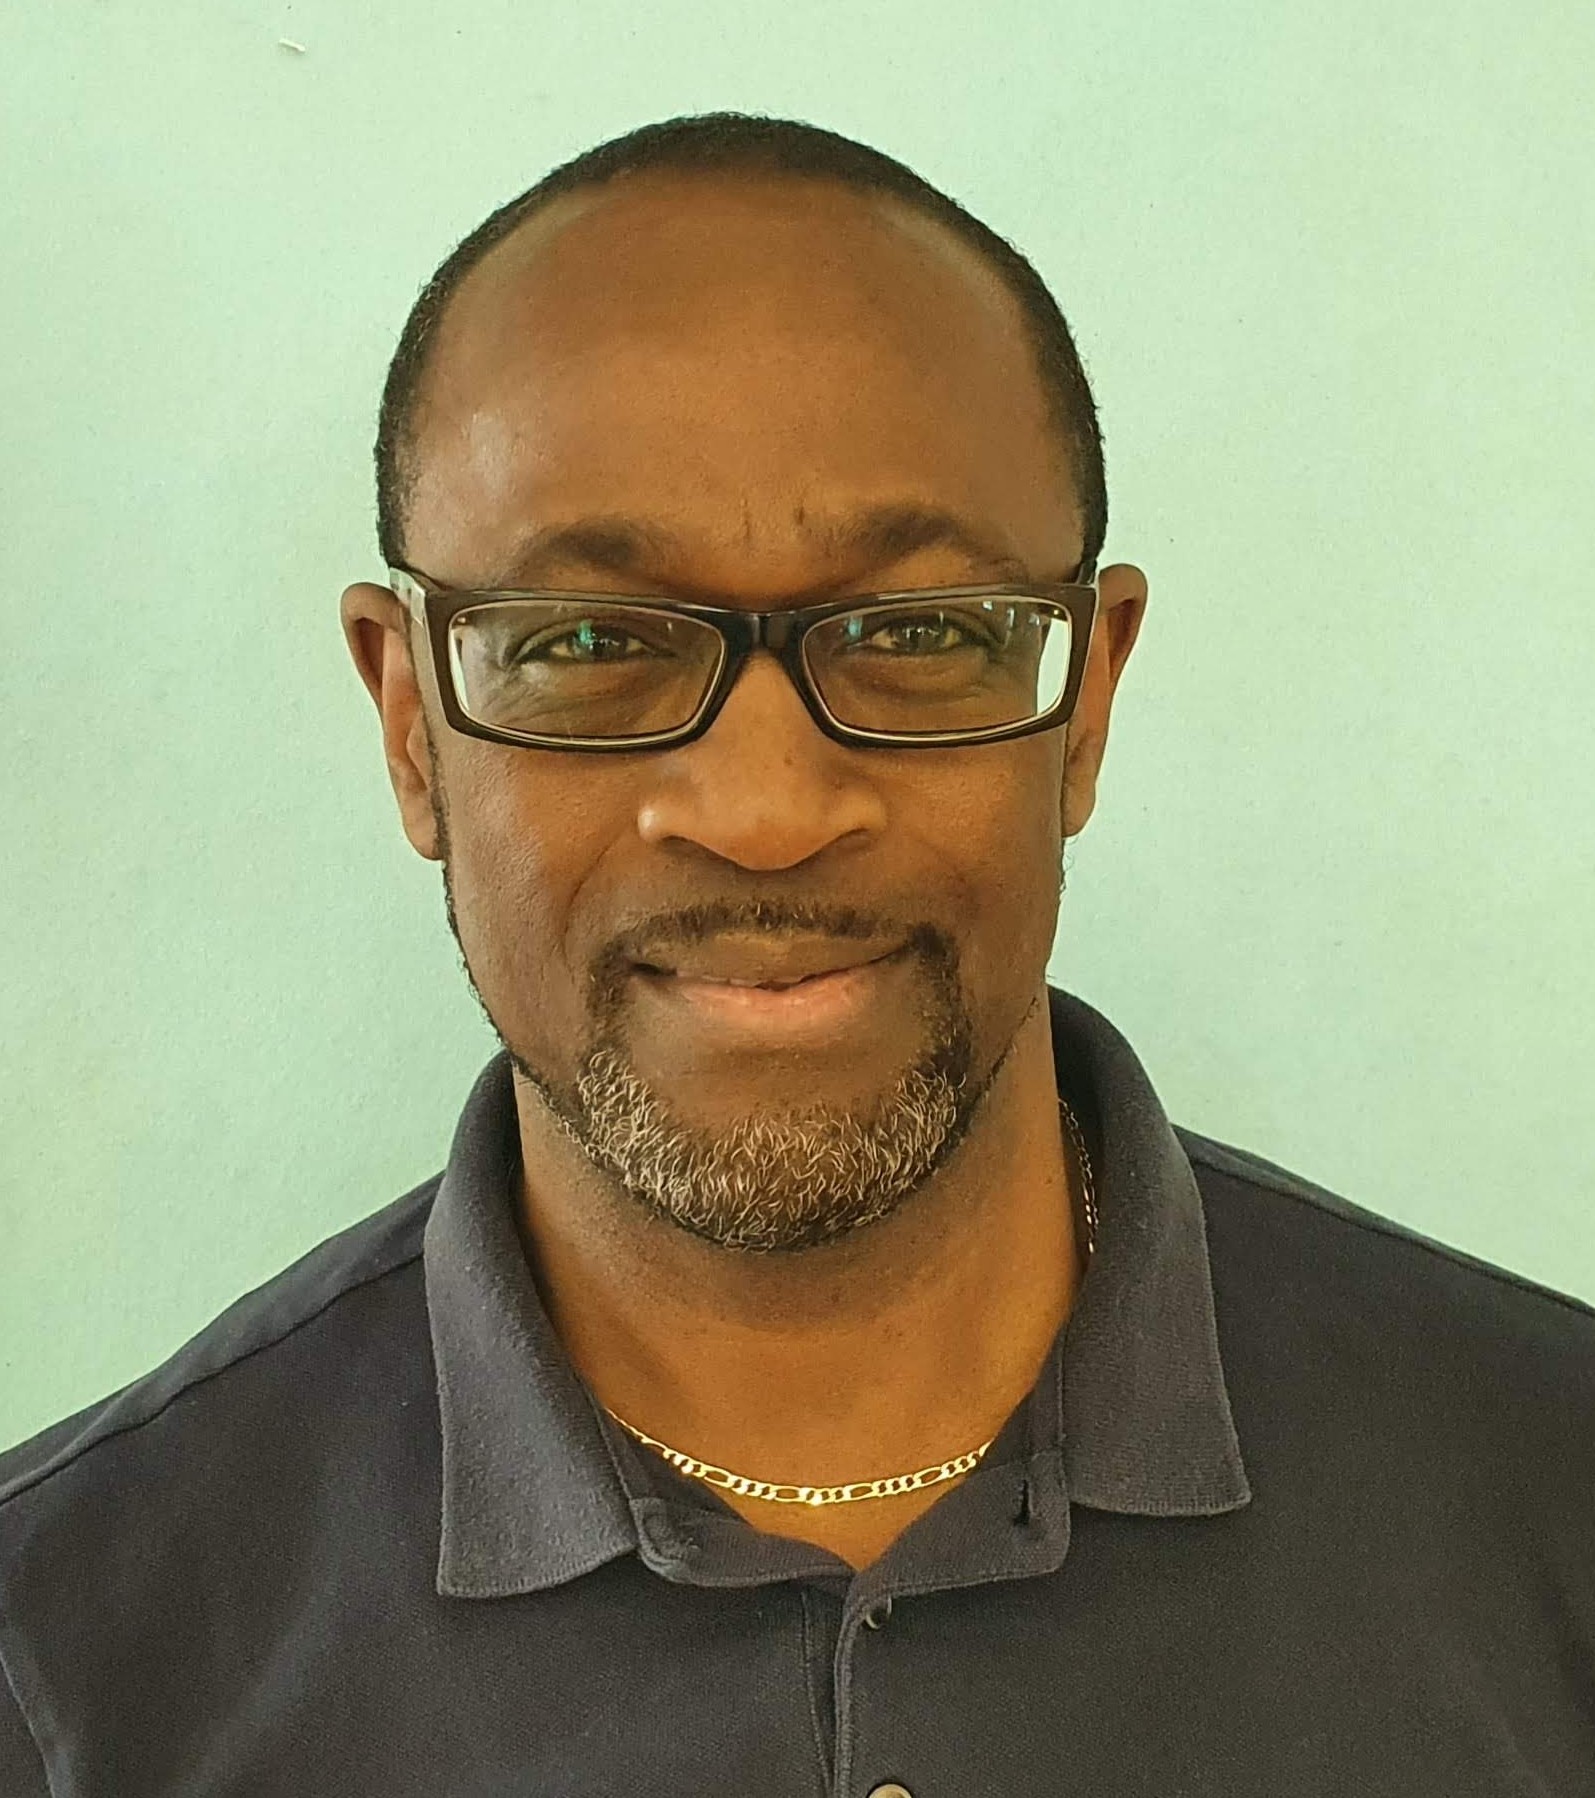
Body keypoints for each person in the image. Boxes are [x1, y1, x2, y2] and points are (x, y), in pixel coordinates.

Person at [1, 113, 1590, 1798]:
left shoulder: (1553, 1505)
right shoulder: (63, 1666)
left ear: (1087, 703)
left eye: (919, 631)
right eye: (588, 640)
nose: (764, 809)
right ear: (410, 726)